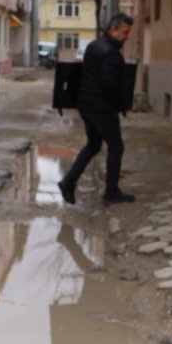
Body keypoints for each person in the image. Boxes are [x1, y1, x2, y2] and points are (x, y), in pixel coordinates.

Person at [58, 13, 135, 205]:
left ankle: (68, 181)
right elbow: (110, 85)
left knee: (93, 145)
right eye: (125, 32)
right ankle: (111, 192)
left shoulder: (94, 45)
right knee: (116, 146)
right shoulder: (111, 54)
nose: (127, 37)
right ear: (113, 29)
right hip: (102, 108)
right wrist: (121, 103)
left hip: (86, 105)